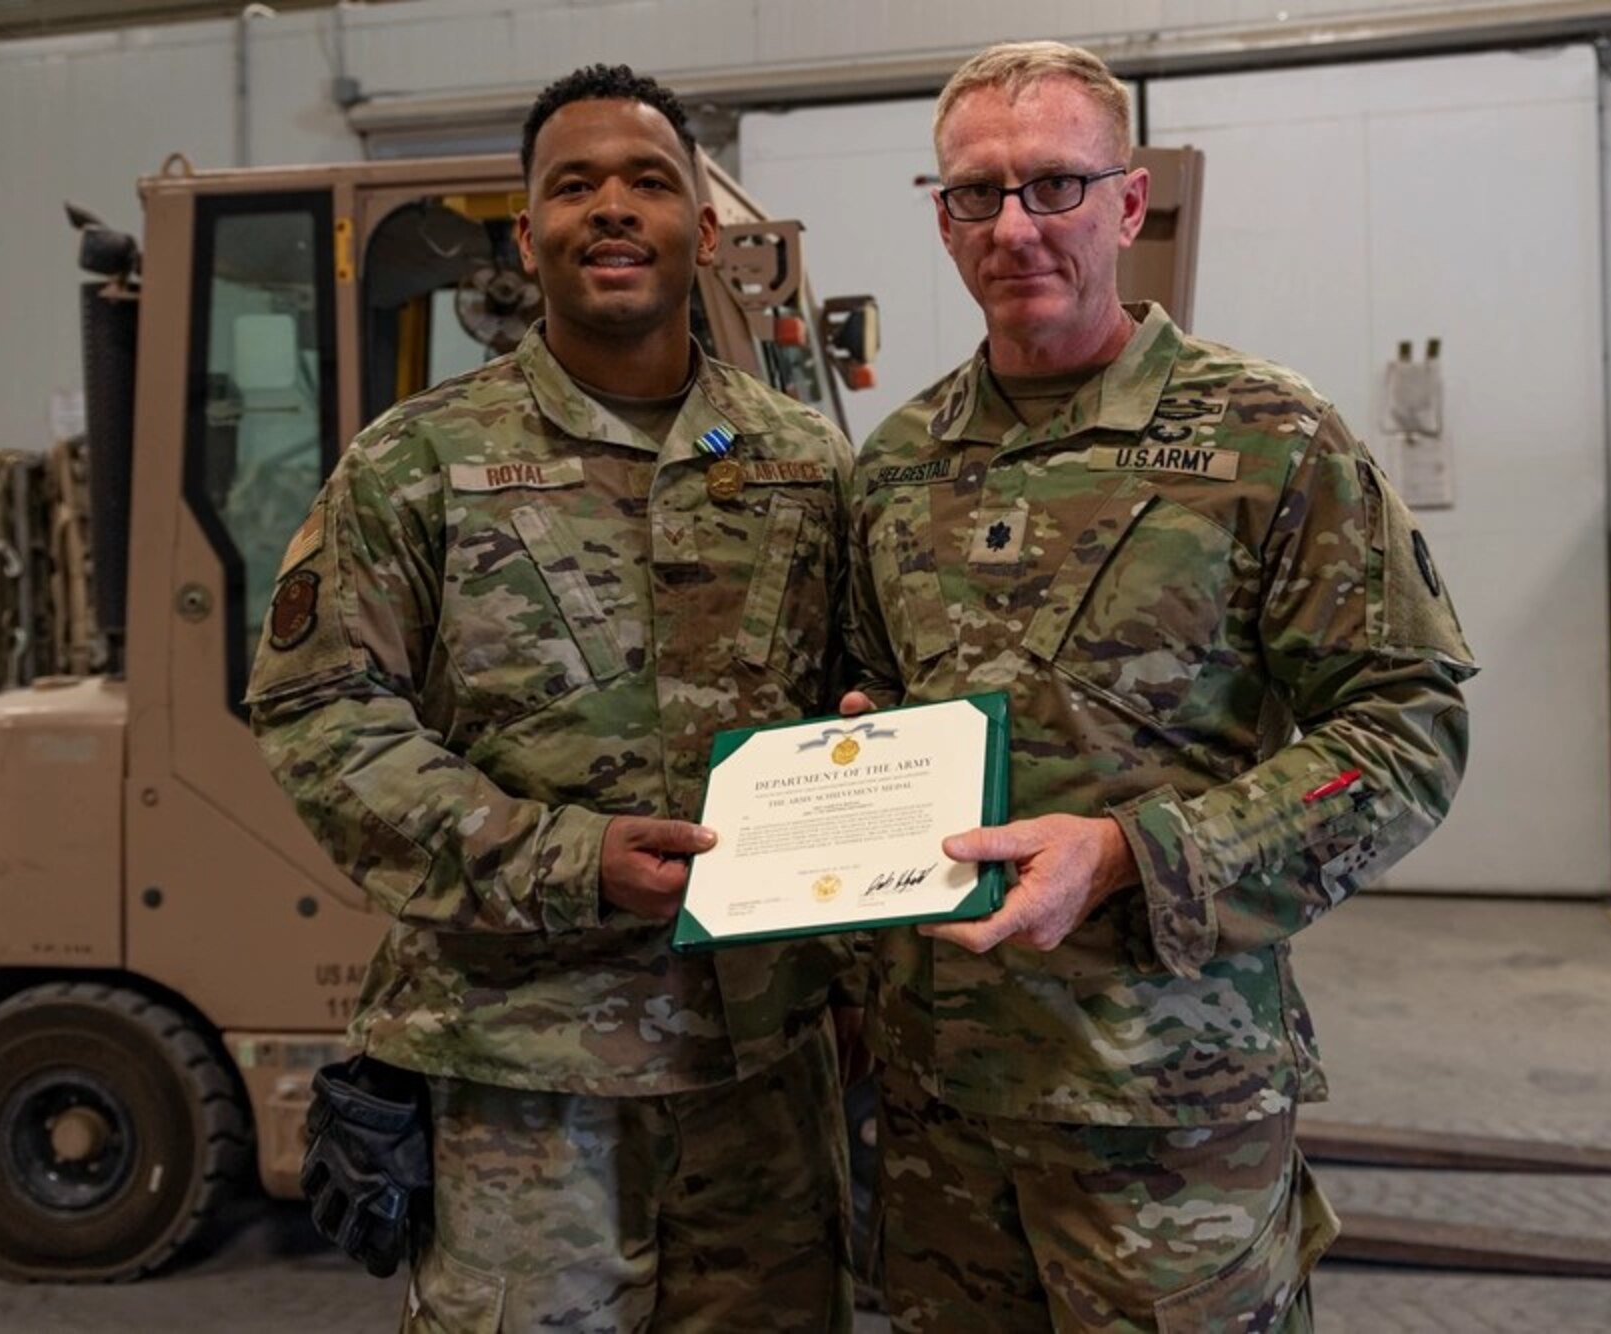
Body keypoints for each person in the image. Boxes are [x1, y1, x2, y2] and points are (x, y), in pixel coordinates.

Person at [842, 40, 1477, 1332]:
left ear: (1128, 204)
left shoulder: (1267, 439)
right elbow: (865, 694)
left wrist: (1135, 855)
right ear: (942, 218)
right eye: (976, 193)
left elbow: (1406, 730)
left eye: (1055, 185)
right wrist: (856, 754)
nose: (1015, 226)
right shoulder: (899, 462)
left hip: (1170, 1106)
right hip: (938, 1108)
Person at [248, 64, 858, 1332]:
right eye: (572, 187)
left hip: (759, 1071)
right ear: (527, 239)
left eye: (648, 182)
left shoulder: (803, 462)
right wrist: (567, 859)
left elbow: (867, 698)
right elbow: (321, 713)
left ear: (704, 228)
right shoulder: (419, 461)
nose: (612, 207)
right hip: (521, 1080)